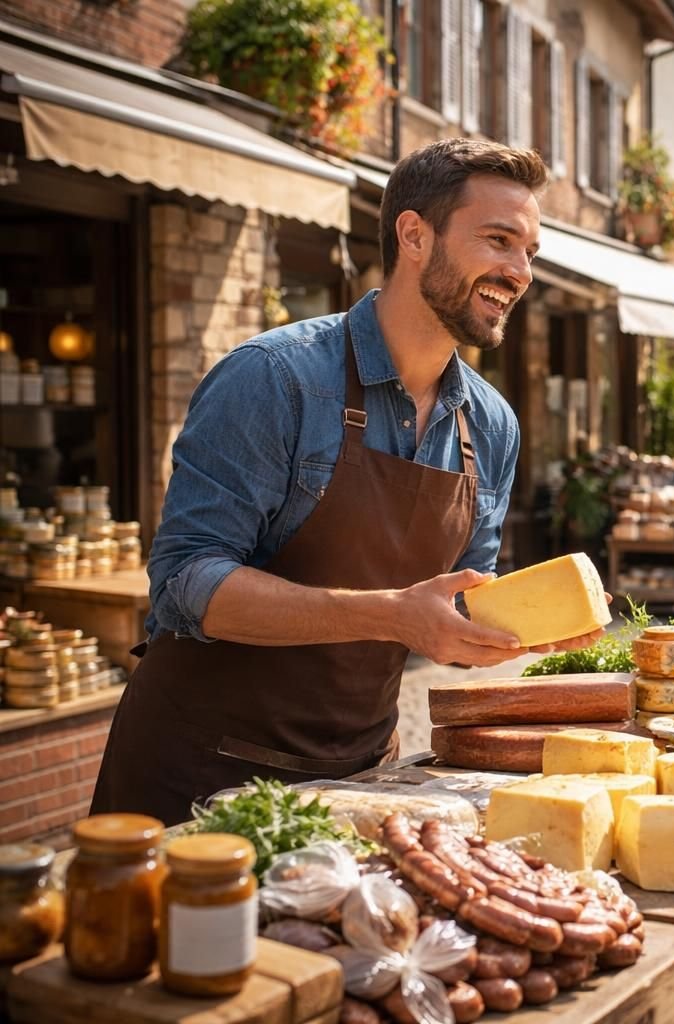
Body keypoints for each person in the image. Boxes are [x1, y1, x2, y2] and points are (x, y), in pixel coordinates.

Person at [92, 140, 604, 824]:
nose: (520, 272)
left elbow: (451, 614)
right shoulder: (275, 378)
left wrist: (521, 634)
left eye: (530, 252)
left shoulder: (493, 425)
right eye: (499, 240)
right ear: (415, 235)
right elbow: (187, 584)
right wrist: (389, 614)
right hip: (200, 776)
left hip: (362, 780)